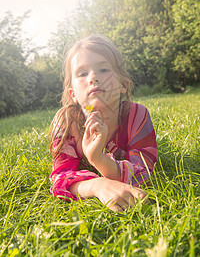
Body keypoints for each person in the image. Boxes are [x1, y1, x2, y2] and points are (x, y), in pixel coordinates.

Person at [50, 34, 158, 212]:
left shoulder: (136, 115)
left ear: (123, 84)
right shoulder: (66, 122)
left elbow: (145, 171)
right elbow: (60, 178)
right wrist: (98, 186)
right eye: (82, 73)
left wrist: (98, 159)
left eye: (104, 70)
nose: (93, 77)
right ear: (73, 94)